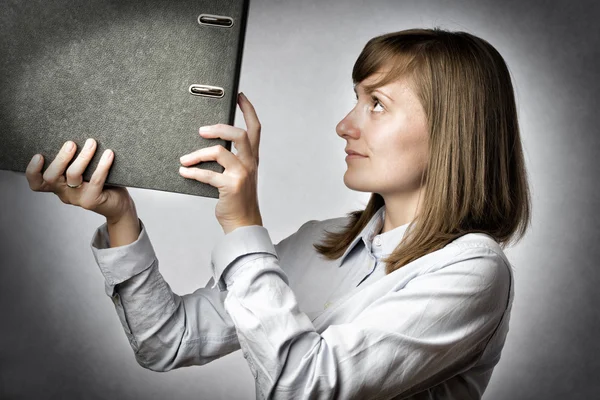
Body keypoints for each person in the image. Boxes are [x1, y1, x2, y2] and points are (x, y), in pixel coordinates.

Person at [26, 27, 531, 400]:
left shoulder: (472, 270)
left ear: (453, 131)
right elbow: (167, 341)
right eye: (354, 99)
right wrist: (121, 218)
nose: (343, 125)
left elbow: (304, 388)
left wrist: (243, 226)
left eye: (376, 104)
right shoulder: (321, 241)